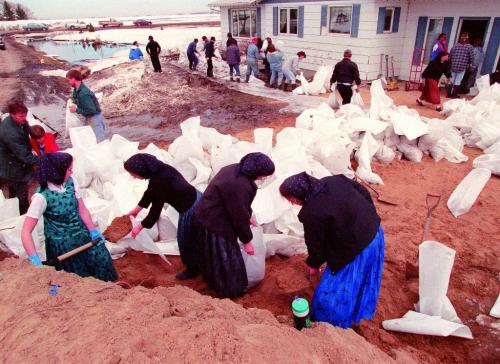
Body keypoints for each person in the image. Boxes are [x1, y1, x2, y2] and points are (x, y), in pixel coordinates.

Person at [279, 172, 384, 328]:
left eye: (291, 199)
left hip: (357, 248)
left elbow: (315, 243)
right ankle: (354, 312)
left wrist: (313, 264)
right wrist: (367, 215)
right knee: (360, 281)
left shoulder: (312, 212)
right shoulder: (333, 180)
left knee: (335, 292)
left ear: (299, 192)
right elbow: (363, 192)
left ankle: (330, 325)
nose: (293, 203)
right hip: (375, 232)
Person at [21, 152, 117, 281]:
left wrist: (92, 230)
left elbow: (82, 209)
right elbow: (26, 231)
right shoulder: (41, 197)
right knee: (77, 277)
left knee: (102, 260)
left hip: (82, 234)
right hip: (63, 244)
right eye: (69, 170)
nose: (71, 173)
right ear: (57, 172)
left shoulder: (70, 182)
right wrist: (34, 257)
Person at [195, 152, 275, 298]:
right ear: (256, 171)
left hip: (208, 213)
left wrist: (248, 216)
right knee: (224, 256)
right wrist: (247, 241)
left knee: (212, 255)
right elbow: (238, 216)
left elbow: (239, 205)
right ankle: (228, 290)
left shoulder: (234, 169)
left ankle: (214, 280)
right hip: (214, 221)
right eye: (263, 175)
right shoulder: (240, 185)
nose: (263, 178)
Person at [125, 154, 202, 280]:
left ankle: (193, 269)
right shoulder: (160, 169)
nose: (133, 176)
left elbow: (155, 211)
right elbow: (150, 192)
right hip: (196, 197)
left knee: (185, 240)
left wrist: (139, 227)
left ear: (141, 170)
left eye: (133, 173)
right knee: (194, 236)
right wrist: (136, 210)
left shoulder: (159, 180)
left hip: (191, 207)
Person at [0, 102, 40, 215]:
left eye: (25, 115)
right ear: (12, 115)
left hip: (10, 160)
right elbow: (24, 155)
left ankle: (12, 204)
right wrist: (41, 160)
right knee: (22, 192)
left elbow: (25, 124)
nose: (24, 118)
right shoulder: (10, 134)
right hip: (12, 165)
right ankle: (24, 215)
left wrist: (33, 133)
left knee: (13, 186)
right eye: (21, 116)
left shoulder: (15, 120)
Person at [66, 69, 106, 142]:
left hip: (95, 118)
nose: (68, 82)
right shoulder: (77, 89)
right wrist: (73, 101)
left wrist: (76, 110)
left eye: (69, 80)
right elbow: (77, 98)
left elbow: (91, 110)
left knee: (100, 142)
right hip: (89, 117)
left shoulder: (83, 93)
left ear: (74, 79)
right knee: (91, 140)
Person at [449, 32, 474, 98]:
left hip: (453, 66)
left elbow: (450, 55)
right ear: (468, 39)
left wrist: (450, 63)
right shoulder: (470, 47)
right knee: (458, 80)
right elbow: (471, 58)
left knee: (451, 79)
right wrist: (471, 65)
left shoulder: (455, 46)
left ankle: (448, 94)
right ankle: (454, 95)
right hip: (462, 67)